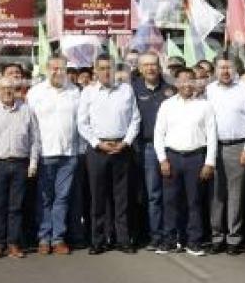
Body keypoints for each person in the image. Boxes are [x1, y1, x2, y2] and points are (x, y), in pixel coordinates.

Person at [77, 54, 141, 254]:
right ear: (95, 71)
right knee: (98, 197)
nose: (106, 72)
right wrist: (97, 143)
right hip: (98, 150)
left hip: (122, 149)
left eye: (109, 68)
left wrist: (126, 142)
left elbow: (135, 120)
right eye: (102, 68)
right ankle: (98, 240)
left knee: (122, 198)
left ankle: (122, 239)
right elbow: (82, 123)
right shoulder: (88, 92)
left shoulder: (126, 90)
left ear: (114, 70)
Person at [154, 68, 217, 256]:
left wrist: (209, 162)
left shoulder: (205, 106)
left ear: (196, 83)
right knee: (170, 201)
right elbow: (159, 134)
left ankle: (194, 241)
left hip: (196, 157)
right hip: (172, 157)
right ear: (176, 83)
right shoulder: (167, 105)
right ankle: (170, 240)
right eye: (182, 81)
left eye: (190, 80)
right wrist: (162, 159)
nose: (187, 84)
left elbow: (212, 135)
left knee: (195, 201)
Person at [205, 54, 245, 255]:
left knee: (236, 195)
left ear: (235, 69)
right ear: (215, 69)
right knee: (216, 194)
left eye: (229, 67)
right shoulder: (208, 91)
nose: (225, 71)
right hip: (212, 148)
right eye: (221, 67)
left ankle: (234, 238)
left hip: (238, 147)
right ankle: (216, 236)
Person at [0, 77, 40, 258]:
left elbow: (35, 140)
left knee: (16, 206)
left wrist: (33, 162)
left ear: (16, 91)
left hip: (21, 164)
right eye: (3, 88)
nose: (7, 91)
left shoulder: (27, 111)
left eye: (10, 88)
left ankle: (13, 243)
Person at [26, 55, 81, 255]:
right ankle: (43, 237)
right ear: (47, 69)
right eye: (54, 68)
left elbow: (80, 122)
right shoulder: (35, 93)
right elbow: (30, 125)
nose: (58, 72)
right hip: (44, 153)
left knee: (63, 198)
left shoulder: (75, 92)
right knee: (44, 198)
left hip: (68, 154)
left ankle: (58, 238)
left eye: (62, 68)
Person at [130, 52, 174, 251]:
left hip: (171, 147)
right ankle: (155, 235)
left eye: (154, 64)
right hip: (146, 148)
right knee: (152, 195)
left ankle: (171, 234)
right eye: (146, 65)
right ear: (140, 68)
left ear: (160, 66)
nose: (150, 68)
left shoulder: (170, 89)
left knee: (171, 194)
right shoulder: (132, 89)